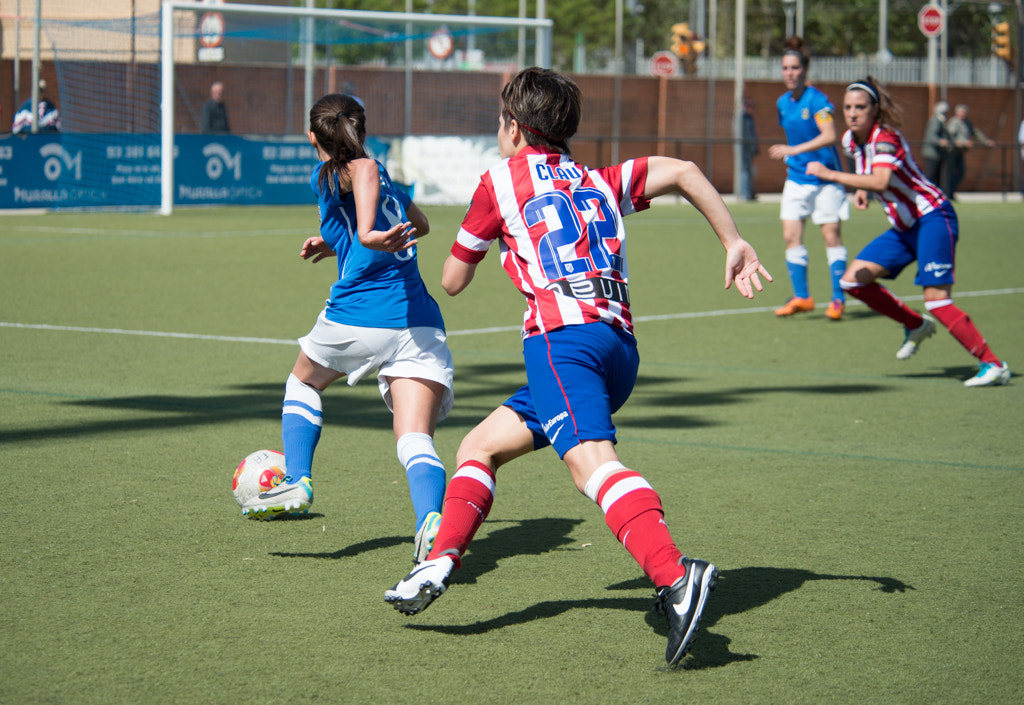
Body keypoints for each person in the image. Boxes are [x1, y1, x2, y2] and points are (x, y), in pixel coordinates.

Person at [384, 67, 772, 666]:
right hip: (618, 350)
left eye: (499, 121)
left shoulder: (499, 181)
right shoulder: (601, 179)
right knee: (480, 447)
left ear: (515, 127)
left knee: (591, 464)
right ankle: (438, 563)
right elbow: (687, 173)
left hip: (561, 342)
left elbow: (452, 281)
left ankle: (675, 578)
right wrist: (732, 240)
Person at [241, 94, 454, 563]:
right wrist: (339, 241)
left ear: (313, 136)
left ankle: (297, 478)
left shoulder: (350, 170)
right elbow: (419, 225)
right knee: (414, 436)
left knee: (303, 380)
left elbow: (363, 183)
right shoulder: (381, 179)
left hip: (359, 316)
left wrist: (364, 236)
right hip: (418, 322)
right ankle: (430, 523)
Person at [806, 77, 1010, 387]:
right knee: (851, 281)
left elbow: (880, 180)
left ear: (875, 109)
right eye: (848, 107)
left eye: (860, 107)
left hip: (933, 217)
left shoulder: (886, 137)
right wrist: (862, 191)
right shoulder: (850, 140)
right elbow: (869, 177)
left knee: (937, 300)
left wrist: (831, 174)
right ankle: (915, 325)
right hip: (904, 228)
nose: (853, 113)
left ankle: (994, 364)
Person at [768, 37, 849, 321]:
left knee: (830, 236)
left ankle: (838, 299)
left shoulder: (817, 100)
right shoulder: (782, 102)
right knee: (791, 236)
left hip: (826, 178)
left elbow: (829, 136)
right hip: (797, 178)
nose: (790, 73)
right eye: (785, 68)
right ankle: (802, 297)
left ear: (805, 70)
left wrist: (793, 150)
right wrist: (795, 156)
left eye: (795, 68)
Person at [944, 103, 993, 200]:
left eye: (965, 112)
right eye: (961, 112)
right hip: (952, 152)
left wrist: (986, 141)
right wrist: (962, 142)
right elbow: (949, 137)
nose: (963, 114)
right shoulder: (953, 122)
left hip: (960, 152)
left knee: (961, 172)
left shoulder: (967, 123)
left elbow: (975, 132)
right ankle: (948, 194)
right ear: (957, 112)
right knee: (950, 174)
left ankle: (951, 192)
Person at [921, 101, 951, 190]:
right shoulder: (936, 120)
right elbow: (931, 135)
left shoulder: (940, 120)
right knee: (931, 175)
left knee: (937, 176)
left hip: (938, 153)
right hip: (932, 153)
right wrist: (940, 141)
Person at [741, 96, 760, 201]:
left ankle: (750, 193)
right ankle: (745, 194)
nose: (750, 108)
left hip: (750, 150)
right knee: (745, 172)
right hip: (743, 150)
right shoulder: (741, 117)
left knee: (750, 171)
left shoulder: (749, 117)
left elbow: (752, 134)